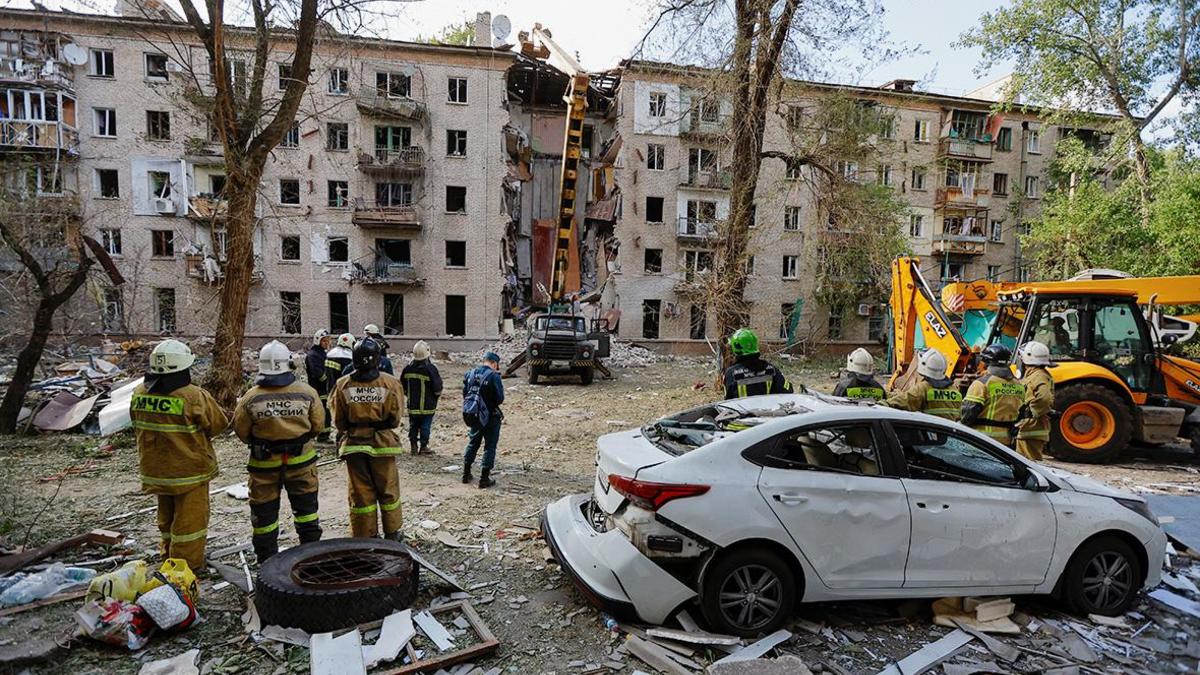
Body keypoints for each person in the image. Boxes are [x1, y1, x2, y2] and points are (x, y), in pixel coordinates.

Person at [130, 339, 228, 569]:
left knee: (166, 516)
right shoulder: (193, 396)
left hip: (155, 469)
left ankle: (167, 554)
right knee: (190, 521)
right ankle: (185, 566)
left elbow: (136, 422)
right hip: (189, 471)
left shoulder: (139, 392)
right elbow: (218, 424)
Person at [233, 341, 324, 561]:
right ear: (289, 364)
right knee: (306, 514)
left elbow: (241, 431)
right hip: (301, 465)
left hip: (263, 468)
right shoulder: (307, 393)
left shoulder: (250, 397)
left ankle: (266, 562)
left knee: (265, 518)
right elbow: (318, 426)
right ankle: (311, 558)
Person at [330, 339, 406, 540]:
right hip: (383, 445)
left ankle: (365, 535)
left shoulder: (342, 384)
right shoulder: (390, 383)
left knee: (361, 494)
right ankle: (393, 532)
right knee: (388, 491)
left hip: (354, 446)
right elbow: (395, 418)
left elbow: (339, 420)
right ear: (377, 360)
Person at [961, 344, 1026, 447]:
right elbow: (1022, 414)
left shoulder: (982, 384)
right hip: (1006, 442)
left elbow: (968, 414)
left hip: (982, 440)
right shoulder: (1019, 385)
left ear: (987, 361)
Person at [462, 351, 504, 489]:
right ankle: (484, 478)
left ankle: (466, 473)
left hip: (474, 415)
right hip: (491, 417)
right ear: (494, 363)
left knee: (473, 443)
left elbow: (465, 393)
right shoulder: (493, 376)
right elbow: (500, 398)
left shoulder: (470, 373)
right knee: (490, 446)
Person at [884, 348, 961, 420]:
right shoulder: (955, 390)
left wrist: (884, 404)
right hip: (951, 431)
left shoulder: (924, 388)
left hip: (932, 431)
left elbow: (905, 400)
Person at [723, 328, 793, 399]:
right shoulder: (771, 370)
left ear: (736, 348)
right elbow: (788, 390)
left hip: (741, 410)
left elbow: (727, 402)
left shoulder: (732, 373)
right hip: (767, 409)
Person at [1015, 341, 1055, 461]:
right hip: (1030, 427)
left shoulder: (1038, 376)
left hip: (1031, 427)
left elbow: (1044, 397)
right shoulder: (1036, 375)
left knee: (1029, 463)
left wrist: (1032, 413)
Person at [400, 340, 442, 455]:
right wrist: (435, 397)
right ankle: (423, 446)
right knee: (425, 426)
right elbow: (437, 388)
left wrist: (408, 395)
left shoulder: (407, 368)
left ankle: (413, 445)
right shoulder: (431, 369)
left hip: (413, 405)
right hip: (428, 405)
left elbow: (402, 385)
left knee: (413, 425)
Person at [305, 329, 333, 442]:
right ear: (318, 341)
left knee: (326, 413)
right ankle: (322, 436)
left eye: (328, 341)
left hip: (324, 389)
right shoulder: (313, 355)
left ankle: (323, 435)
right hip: (319, 389)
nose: (327, 343)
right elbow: (318, 373)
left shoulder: (321, 353)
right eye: (324, 341)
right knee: (323, 413)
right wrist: (327, 380)